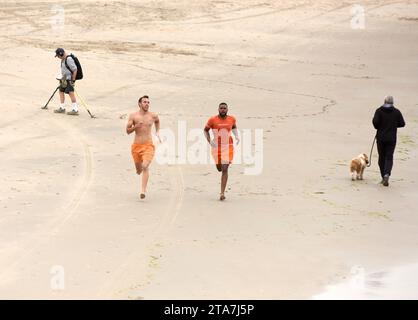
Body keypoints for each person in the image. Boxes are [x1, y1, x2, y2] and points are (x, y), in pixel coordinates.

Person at [126, 95, 161, 199]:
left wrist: (158, 131)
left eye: (148, 102)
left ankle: (143, 191)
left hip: (148, 146)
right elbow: (127, 131)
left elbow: (157, 121)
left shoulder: (153, 115)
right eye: (145, 102)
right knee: (139, 170)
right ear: (140, 104)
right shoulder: (133, 116)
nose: (147, 104)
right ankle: (139, 170)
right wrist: (135, 127)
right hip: (136, 146)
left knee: (145, 166)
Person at [204, 102, 239, 201]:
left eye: (224, 108)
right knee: (219, 168)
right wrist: (209, 141)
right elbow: (205, 130)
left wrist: (236, 136)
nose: (223, 110)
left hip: (228, 146)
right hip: (216, 147)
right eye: (221, 108)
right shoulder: (212, 120)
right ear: (218, 109)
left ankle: (222, 193)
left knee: (224, 168)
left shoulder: (232, 119)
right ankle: (218, 165)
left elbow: (234, 127)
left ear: (227, 110)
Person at [372, 95, 405, 186]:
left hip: (381, 138)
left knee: (381, 157)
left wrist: (380, 126)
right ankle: (386, 174)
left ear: (384, 101)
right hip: (391, 138)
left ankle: (383, 176)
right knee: (389, 157)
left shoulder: (379, 111)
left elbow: (375, 123)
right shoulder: (396, 112)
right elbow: (402, 123)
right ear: (392, 103)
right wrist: (394, 125)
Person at [54, 48, 79, 115]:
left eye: (58, 56)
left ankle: (75, 109)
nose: (58, 57)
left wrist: (73, 80)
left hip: (69, 79)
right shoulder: (63, 59)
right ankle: (62, 108)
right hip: (64, 79)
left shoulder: (69, 59)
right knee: (61, 91)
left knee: (71, 93)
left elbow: (75, 70)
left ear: (61, 54)